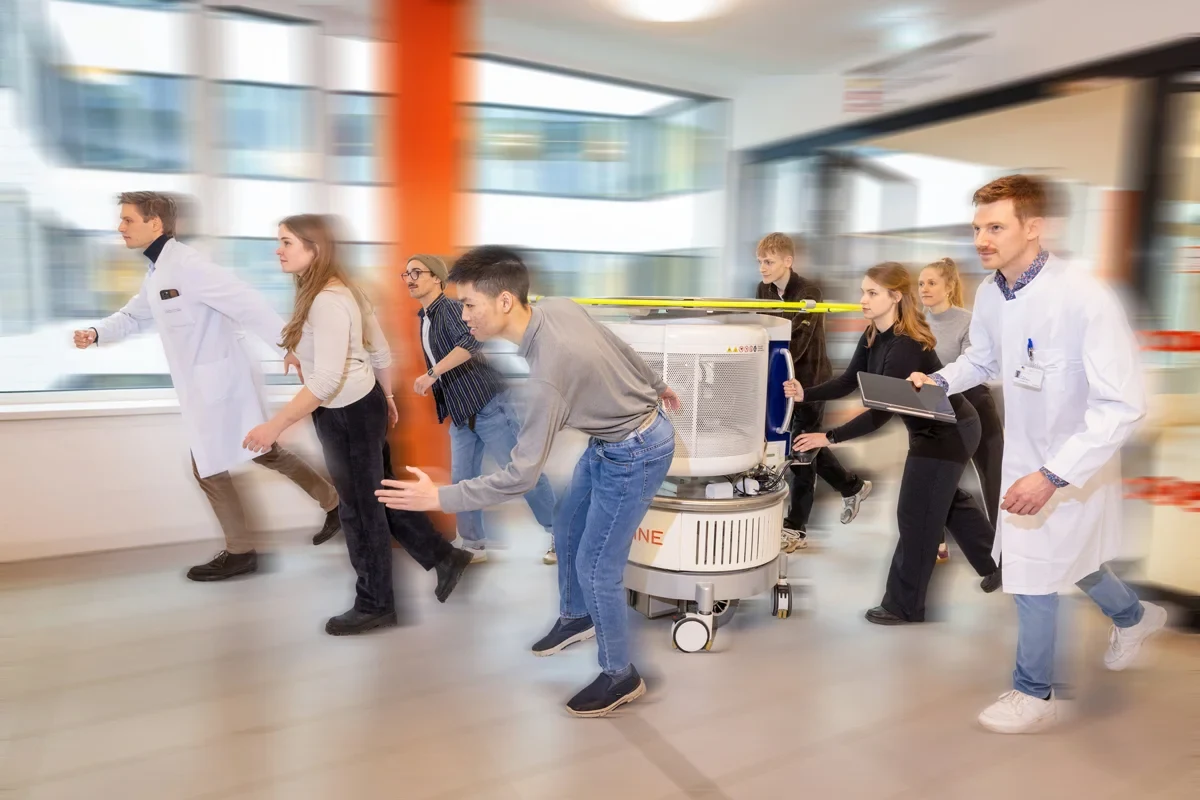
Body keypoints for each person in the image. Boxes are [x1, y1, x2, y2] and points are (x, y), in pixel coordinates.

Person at [909, 175, 1166, 734]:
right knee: (1068, 561)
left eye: (995, 227)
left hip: (1076, 460)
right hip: (1026, 456)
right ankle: (1135, 616)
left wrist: (1053, 475)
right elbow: (983, 359)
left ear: (1034, 227)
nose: (982, 239)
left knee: (1035, 573)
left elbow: (1124, 404)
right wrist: (939, 381)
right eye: (977, 227)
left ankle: (1035, 692)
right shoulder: (989, 292)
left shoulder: (1084, 296)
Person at [376, 246, 680, 717]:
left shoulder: (545, 379)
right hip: (609, 440)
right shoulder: (558, 307)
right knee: (566, 523)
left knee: (596, 566)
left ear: (504, 301)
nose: (463, 316)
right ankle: (576, 617)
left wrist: (440, 496)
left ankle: (621, 675)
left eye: (469, 304)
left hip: (635, 452)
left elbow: (520, 476)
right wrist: (656, 383)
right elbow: (615, 343)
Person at [74, 192, 341, 581]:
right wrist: (96, 332)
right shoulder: (158, 272)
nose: (120, 227)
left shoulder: (189, 266)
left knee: (209, 465)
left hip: (223, 382)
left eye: (128, 220)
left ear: (155, 224)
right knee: (260, 451)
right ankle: (334, 504)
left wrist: (291, 348)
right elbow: (134, 315)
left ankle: (242, 551)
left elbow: (247, 302)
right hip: (209, 384)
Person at [242, 215, 471, 636]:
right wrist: (385, 398)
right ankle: (445, 557)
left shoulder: (326, 300)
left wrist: (274, 426)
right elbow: (378, 351)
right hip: (360, 405)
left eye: (287, 242)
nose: (278, 249)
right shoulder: (337, 289)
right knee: (380, 496)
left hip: (345, 411)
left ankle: (375, 604)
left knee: (360, 512)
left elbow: (327, 379)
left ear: (314, 248)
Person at [784, 263, 1000, 626]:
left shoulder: (905, 347)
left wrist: (828, 438)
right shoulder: (874, 334)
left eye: (872, 293)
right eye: (863, 292)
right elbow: (849, 381)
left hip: (950, 431)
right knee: (946, 501)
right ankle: (997, 564)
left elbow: (880, 413)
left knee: (916, 514)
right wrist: (806, 393)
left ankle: (904, 606)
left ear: (895, 297)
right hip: (931, 429)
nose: (863, 299)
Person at [404, 253, 559, 565]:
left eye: (417, 272)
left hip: (488, 406)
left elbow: (472, 343)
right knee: (463, 480)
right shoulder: (426, 316)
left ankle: (562, 532)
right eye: (406, 274)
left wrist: (432, 374)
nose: (409, 279)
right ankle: (473, 544)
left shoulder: (449, 309)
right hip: (462, 413)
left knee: (522, 474)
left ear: (437, 278)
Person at [756, 233, 872, 551]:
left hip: (810, 382)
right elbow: (762, 328)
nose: (763, 268)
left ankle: (796, 528)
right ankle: (852, 486)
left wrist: (770, 359)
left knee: (802, 450)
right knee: (803, 444)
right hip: (779, 379)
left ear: (788, 261)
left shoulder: (810, 292)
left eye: (769, 261)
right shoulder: (763, 290)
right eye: (760, 262)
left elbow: (796, 342)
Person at [919, 258, 1005, 563]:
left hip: (976, 406)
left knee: (993, 478)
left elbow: (973, 368)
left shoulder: (969, 321)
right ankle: (937, 541)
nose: (924, 289)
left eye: (932, 283)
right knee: (940, 481)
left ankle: (1004, 548)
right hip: (936, 409)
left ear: (949, 287)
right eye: (921, 283)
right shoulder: (916, 324)